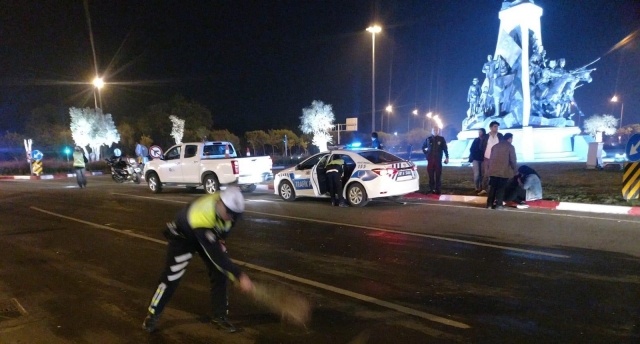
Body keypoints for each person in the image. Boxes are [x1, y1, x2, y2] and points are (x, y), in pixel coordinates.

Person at [142, 187, 254, 333]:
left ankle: (219, 317)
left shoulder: (229, 212)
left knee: (220, 274)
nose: (232, 218)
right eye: (230, 214)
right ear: (220, 204)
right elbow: (217, 257)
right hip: (184, 236)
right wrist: (239, 275)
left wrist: (220, 240)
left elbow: (225, 230)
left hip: (207, 233)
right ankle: (153, 313)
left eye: (236, 216)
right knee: (171, 277)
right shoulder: (202, 214)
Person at [486, 133, 517, 210]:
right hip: (503, 171)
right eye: (512, 139)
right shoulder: (510, 147)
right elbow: (513, 160)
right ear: (509, 138)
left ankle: (489, 204)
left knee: (493, 188)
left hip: (493, 171)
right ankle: (499, 205)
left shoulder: (495, 146)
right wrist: (514, 169)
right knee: (501, 188)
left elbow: (491, 158)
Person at [478, 121, 503, 195]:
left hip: (497, 158)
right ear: (491, 127)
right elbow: (481, 146)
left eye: (497, 127)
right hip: (487, 158)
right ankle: (484, 189)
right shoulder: (486, 136)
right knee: (486, 174)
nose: (496, 128)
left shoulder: (500, 136)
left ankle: (496, 189)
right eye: (495, 126)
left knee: (497, 174)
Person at [422, 127, 449, 195]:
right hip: (430, 160)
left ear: (438, 131)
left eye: (436, 130)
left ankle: (438, 190)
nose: (435, 131)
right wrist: (427, 154)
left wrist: (447, 157)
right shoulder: (428, 139)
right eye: (434, 130)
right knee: (431, 176)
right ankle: (431, 189)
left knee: (438, 176)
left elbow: (445, 149)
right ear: (432, 131)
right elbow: (423, 147)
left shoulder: (441, 139)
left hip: (438, 160)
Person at [468, 128, 486, 193]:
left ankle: (481, 187)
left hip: (483, 159)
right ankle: (476, 187)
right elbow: (471, 149)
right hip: (476, 159)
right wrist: (474, 155)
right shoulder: (476, 140)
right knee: (477, 174)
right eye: (479, 132)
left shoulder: (485, 140)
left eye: (480, 132)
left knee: (482, 174)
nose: (479, 133)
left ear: (483, 132)